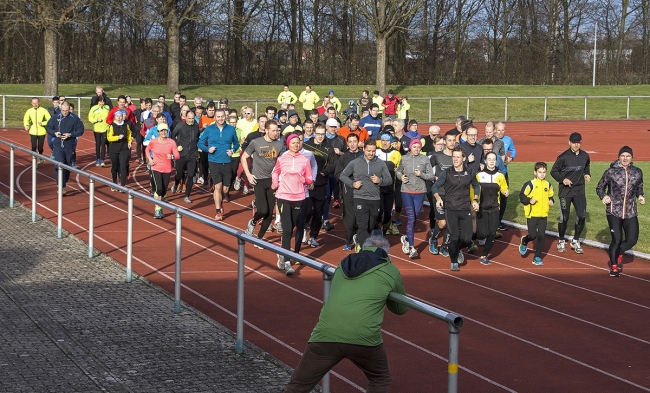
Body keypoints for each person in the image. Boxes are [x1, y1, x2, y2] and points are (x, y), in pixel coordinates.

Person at [282, 235, 407, 393]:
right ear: (386, 254)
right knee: (380, 378)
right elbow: (400, 309)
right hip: (364, 337)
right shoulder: (390, 270)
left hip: (326, 333)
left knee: (297, 386)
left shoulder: (343, 264)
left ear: (362, 248)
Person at [596, 146, 645, 277]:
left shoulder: (637, 172)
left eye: (628, 156)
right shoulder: (611, 172)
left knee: (632, 240)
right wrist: (604, 196)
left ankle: (617, 252)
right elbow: (600, 187)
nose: (625, 158)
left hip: (630, 211)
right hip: (614, 211)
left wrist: (640, 196)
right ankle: (614, 266)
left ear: (632, 158)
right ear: (619, 157)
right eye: (623, 156)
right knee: (617, 240)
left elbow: (639, 186)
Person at [430, 146, 481, 271]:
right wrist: (438, 198)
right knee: (454, 237)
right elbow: (434, 187)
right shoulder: (447, 172)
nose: (455, 159)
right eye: (453, 157)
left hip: (464, 208)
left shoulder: (470, 172)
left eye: (458, 157)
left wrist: (475, 200)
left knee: (468, 239)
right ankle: (453, 262)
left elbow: (476, 186)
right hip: (451, 209)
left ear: (464, 158)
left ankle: (456, 249)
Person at [272, 133, 314, 275]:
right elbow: (275, 172)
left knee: (298, 225)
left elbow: (309, 178)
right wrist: (274, 183)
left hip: (299, 197)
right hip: (283, 196)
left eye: (298, 143)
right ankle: (287, 260)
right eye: (293, 142)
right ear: (288, 144)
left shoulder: (305, 160)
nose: (296, 145)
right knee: (288, 228)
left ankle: (289, 253)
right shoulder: (282, 158)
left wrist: (306, 181)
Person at [339, 143, 392, 249]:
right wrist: (352, 184)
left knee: (371, 225)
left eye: (373, 151)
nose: (371, 153)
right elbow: (342, 175)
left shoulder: (381, 164)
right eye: (368, 151)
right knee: (362, 225)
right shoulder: (355, 162)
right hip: (359, 197)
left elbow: (389, 180)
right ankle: (365, 249)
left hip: (375, 199)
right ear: (363, 149)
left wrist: (380, 181)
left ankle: (359, 239)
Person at [550, 132, 590, 254]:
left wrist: (587, 174)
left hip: (579, 191)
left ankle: (575, 240)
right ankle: (561, 240)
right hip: (565, 192)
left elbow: (586, 166)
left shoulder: (585, 156)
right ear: (569, 143)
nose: (576, 145)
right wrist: (563, 180)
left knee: (582, 216)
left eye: (578, 142)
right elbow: (553, 171)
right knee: (565, 218)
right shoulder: (562, 157)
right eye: (574, 142)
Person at [197, 108, 239, 221]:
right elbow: (200, 143)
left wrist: (232, 150)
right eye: (218, 116)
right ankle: (218, 211)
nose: (220, 118)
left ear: (225, 117)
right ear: (215, 117)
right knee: (218, 187)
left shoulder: (230, 129)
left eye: (222, 116)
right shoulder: (209, 129)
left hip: (227, 161)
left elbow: (237, 143)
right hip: (214, 161)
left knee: (225, 189)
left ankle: (221, 201)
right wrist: (207, 149)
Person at [243, 120, 283, 239]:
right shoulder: (256, 142)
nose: (276, 133)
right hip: (258, 180)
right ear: (266, 130)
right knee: (263, 210)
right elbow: (244, 157)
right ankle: (253, 221)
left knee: (269, 214)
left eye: (277, 130)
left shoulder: (279, 145)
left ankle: (259, 238)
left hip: (272, 181)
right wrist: (248, 175)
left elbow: (281, 163)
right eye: (273, 130)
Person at [396, 139, 434, 258]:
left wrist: (421, 175)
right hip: (406, 191)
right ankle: (412, 247)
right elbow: (397, 171)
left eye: (418, 147)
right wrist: (401, 177)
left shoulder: (425, 159)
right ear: (410, 148)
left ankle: (406, 238)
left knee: (415, 217)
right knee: (411, 218)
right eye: (414, 147)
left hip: (419, 191)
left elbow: (431, 175)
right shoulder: (404, 158)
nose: (416, 149)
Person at [475, 151, 509, 265]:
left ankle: (484, 255)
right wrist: (474, 201)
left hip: (495, 207)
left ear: (496, 161)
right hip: (482, 208)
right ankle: (470, 237)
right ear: (485, 161)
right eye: (489, 159)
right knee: (483, 233)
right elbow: (473, 190)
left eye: (493, 159)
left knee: (492, 233)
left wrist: (505, 191)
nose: (491, 161)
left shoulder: (500, 176)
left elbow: (504, 187)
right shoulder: (479, 175)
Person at [518, 162, 554, 266]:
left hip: (543, 215)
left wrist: (551, 201)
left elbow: (551, 195)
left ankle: (537, 257)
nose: (542, 174)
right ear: (535, 172)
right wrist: (529, 200)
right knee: (533, 235)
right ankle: (525, 240)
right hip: (532, 214)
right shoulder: (530, 184)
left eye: (544, 172)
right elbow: (522, 196)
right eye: (540, 172)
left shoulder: (548, 185)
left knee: (542, 236)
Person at [45, 101, 84, 196]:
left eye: (66, 111)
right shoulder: (55, 117)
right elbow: (48, 127)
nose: (64, 112)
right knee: (59, 164)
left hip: (69, 145)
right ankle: (61, 186)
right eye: (63, 110)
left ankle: (64, 182)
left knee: (66, 165)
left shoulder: (74, 118)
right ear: (60, 109)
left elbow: (81, 130)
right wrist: (55, 133)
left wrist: (70, 134)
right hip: (58, 145)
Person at [335, 134, 364, 251]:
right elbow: (337, 174)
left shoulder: (364, 155)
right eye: (350, 142)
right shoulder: (344, 157)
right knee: (350, 217)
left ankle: (359, 239)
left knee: (361, 215)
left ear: (358, 142)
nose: (352, 144)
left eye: (354, 141)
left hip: (363, 190)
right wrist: (350, 182)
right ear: (347, 144)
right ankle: (348, 240)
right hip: (349, 190)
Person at [146, 123, 180, 219]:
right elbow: (147, 150)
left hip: (167, 168)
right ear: (158, 132)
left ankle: (160, 207)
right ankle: (157, 209)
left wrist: (172, 156)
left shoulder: (171, 142)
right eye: (161, 131)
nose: (164, 132)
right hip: (155, 167)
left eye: (165, 130)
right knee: (159, 189)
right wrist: (150, 159)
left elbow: (177, 156)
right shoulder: (154, 142)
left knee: (164, 191)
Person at [172, 109, 200, 204]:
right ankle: (176, 184)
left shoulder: (196, 127)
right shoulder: (180, 126)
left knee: (191, 176)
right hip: (182, 154)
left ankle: (187, 196)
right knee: (179, 173)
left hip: (192, 155)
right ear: (185, 117)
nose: (191, 120)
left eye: (192, 118)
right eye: (189, 118)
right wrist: (177, 145)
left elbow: (198, 137)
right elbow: (172, 136)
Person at [495, 121, 516, 230]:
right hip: (492, 174)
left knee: (503, 197)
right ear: (495, 130)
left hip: (504, 173)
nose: (500, 132)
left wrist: (511, 158)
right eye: (498, 130)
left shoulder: (508, 140)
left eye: (502, 130)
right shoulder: (490, 140)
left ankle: (499, 221)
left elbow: (513, 150)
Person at [106, 110, 132, 191]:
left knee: (123, 166)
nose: (119, 118)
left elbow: (129, 134)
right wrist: (117, 137)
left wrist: (129, 141)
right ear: (115, 117)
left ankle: (123, 185)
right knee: (115, 167)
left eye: (120, 116)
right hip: (114, 149)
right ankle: (114, 183)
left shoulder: (126, 125)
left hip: (124, 148)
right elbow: (109, 138)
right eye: (117, 116)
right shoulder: (112, 126)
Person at [23, 97, 51, 163]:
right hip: (32, 131)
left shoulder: (44, 110)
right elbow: (26, 119)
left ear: (39, 103)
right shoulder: (29, 111)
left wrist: (43, 123)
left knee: (40, 148)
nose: (35, 104)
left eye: (36, 103)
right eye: (33, 103)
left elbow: (49, 120)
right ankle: (34, 161)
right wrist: (26, 125)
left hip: (41, 132)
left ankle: (40, 155)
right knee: (33, 147)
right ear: (31, 103)